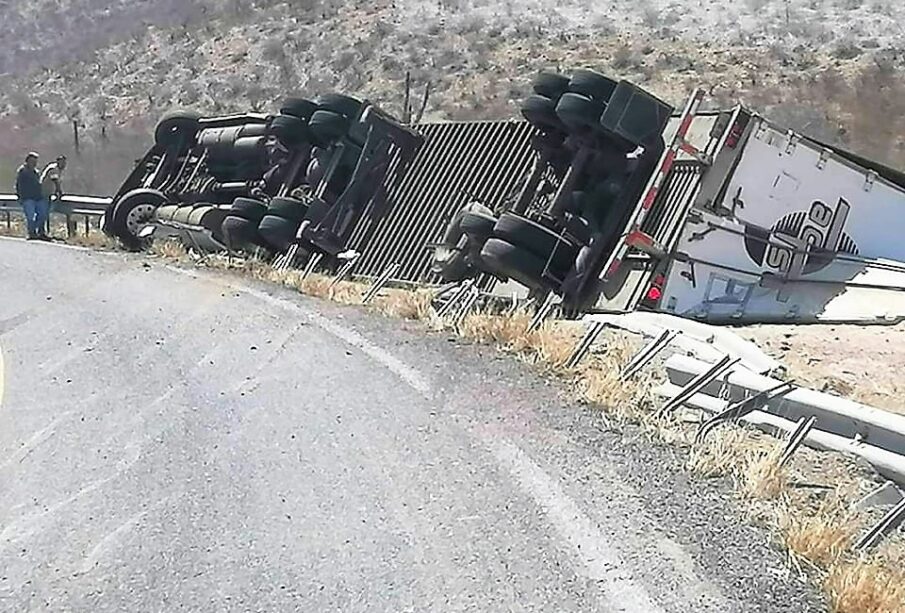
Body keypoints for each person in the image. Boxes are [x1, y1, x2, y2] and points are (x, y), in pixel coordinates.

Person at [15, 152, 49, 240]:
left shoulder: (36, 172)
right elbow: (18, 185)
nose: (34, 163)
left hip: (37, 197)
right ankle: (32, 233)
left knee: (43, 214)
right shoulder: (23, 171)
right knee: (30, 216)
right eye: (32, 161)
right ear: (27, 161)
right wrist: (20, 197)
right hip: (27, 198)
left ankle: (39, 232)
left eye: (35, 161)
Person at [40, 155, 67, 236]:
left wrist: (56, 192)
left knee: (45, 212)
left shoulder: (58, 170)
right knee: (43, 212)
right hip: (44, 193)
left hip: (48, 193)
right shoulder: (54, 169)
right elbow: (55, 181)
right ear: (58, 162)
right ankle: (40, 231)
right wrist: (59, 192)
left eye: (64, 163)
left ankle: (41, 231)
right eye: (62, 162)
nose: (64, 165)